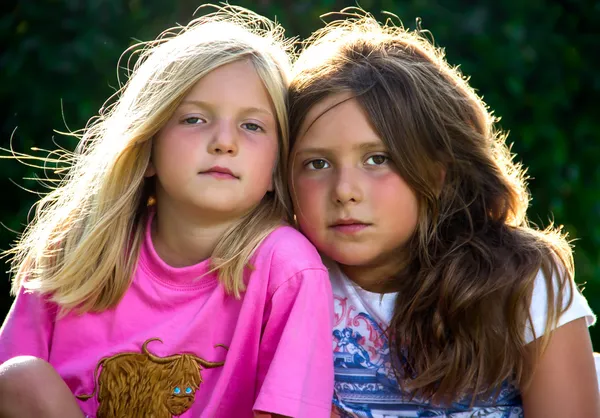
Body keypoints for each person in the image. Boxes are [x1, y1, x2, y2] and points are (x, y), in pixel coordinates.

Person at [0, 6, 334, 418]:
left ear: (276, 168)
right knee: (19, 377)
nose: (224, 142)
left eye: (252, 126)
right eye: (194, 119)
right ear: (148, 147)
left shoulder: (286, 269)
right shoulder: (74, 250)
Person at [288, 10, 598, 417]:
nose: (345, 191)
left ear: (438, 172)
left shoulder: (523, 281)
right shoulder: (282, 281)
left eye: (378, 158)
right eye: (317, 164)